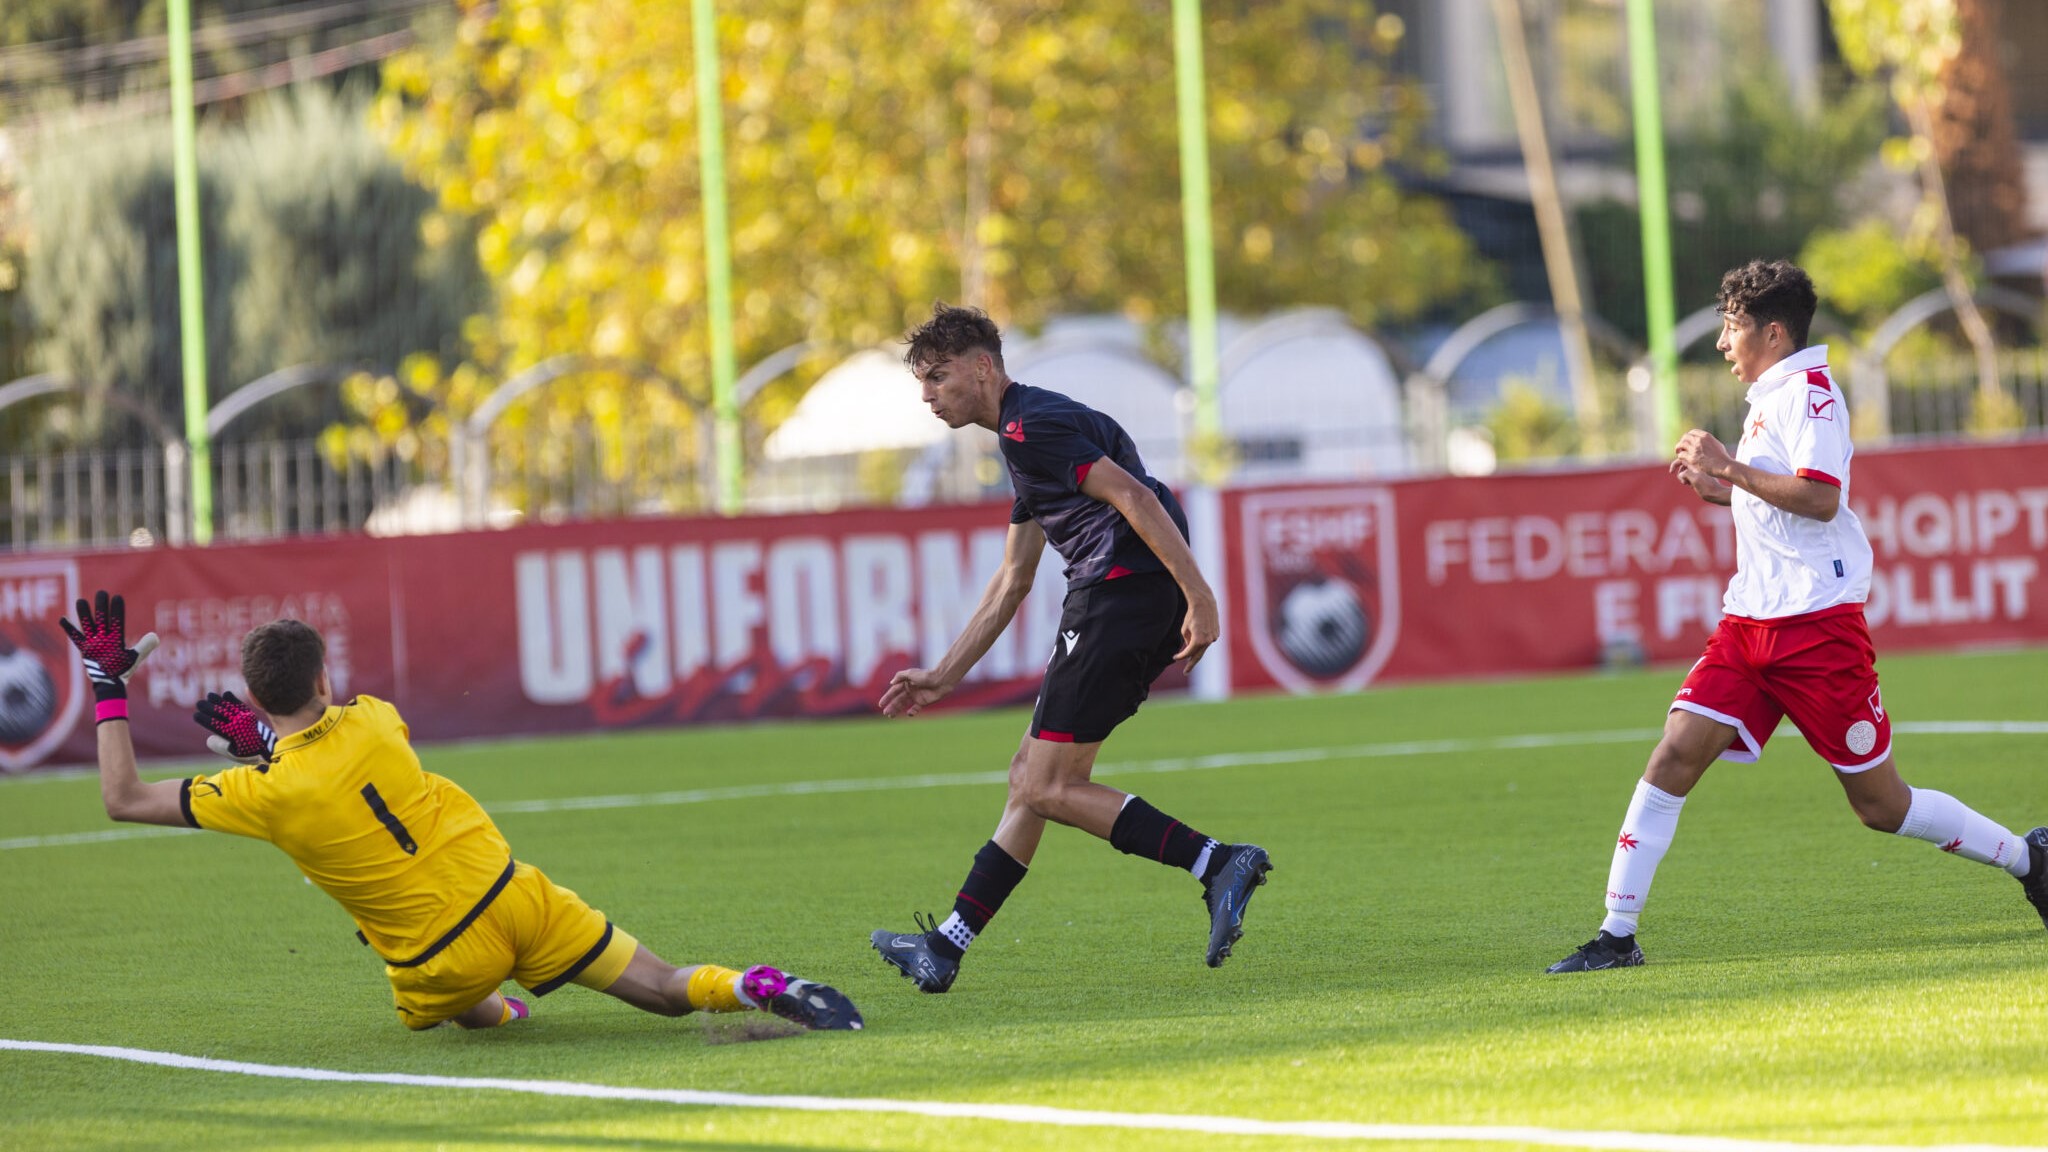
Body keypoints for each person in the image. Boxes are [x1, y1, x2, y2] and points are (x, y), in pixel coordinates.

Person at [1547, 260, 2048, 973]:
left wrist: (1729, 468)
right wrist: (1724, 491)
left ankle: (2030, 859)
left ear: (1773, 333)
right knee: (1675, 753)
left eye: (1732, 327)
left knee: (1881, 806)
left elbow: (1819, 497)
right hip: (1748, 624)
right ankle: (1616, 936)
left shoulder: (1812, 395)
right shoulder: (1771, 395)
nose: (1722, 343)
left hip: (1816, 630)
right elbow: (1781, 499)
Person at [64, 591, 862, 1031]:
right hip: (513, 894)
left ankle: (506, 1012)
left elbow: (123, 798)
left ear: (252, 696)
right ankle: (753, 983)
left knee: (456, 1008)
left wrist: (109, 688)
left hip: (440, 960)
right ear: (326, 680)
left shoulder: (261, 795)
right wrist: (270, 744)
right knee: (660, 984)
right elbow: (328, 762)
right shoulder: (375, 719)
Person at [869, 303, 1271, 994]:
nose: (928, 395)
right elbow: (1013, 579)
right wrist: (944, 674)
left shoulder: (1031, 429)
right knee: (1032, 777)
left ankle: (1217, 861)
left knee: (1046, 784)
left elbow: (1136, 498)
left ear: (982, 368)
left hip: (1118, 598)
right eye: (922, 382)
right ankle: (944, 947)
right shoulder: (1026, 435)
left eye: (938, 376)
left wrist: (1201, 597)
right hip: (1129, 601)